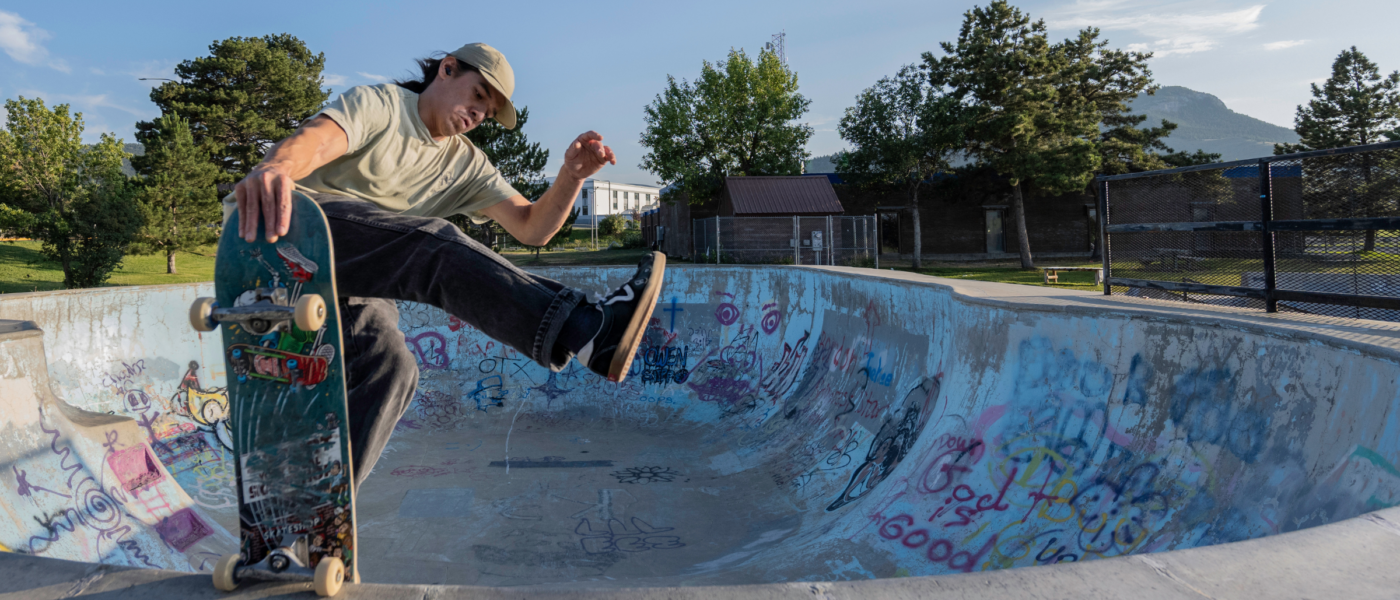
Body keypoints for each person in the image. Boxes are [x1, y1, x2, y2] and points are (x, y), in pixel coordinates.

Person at [227, 43, 665, 488]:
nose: (478, 114)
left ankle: (315, 499)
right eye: (477, 95)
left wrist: (571, 177)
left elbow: (531, 228)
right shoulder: (383, 106)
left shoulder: (466, 164)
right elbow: (318, 140)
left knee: (391, 369)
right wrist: (276, 168)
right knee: (431, 245)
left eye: (487, 112)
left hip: (349, 278)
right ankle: (586, 330)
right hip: (282, 231)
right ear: (448, 69)